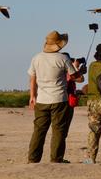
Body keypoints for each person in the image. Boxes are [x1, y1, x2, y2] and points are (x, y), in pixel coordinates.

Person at [27, 31, 85, 163]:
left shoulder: (36, 58)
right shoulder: (62, 58)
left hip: (41, 100)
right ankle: (56, 158)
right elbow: (76, 78)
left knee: (39, 130)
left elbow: (32, 78)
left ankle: (33, 158)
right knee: (58, 130)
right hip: (59, 99)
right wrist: (80, 71)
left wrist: (32, 96)